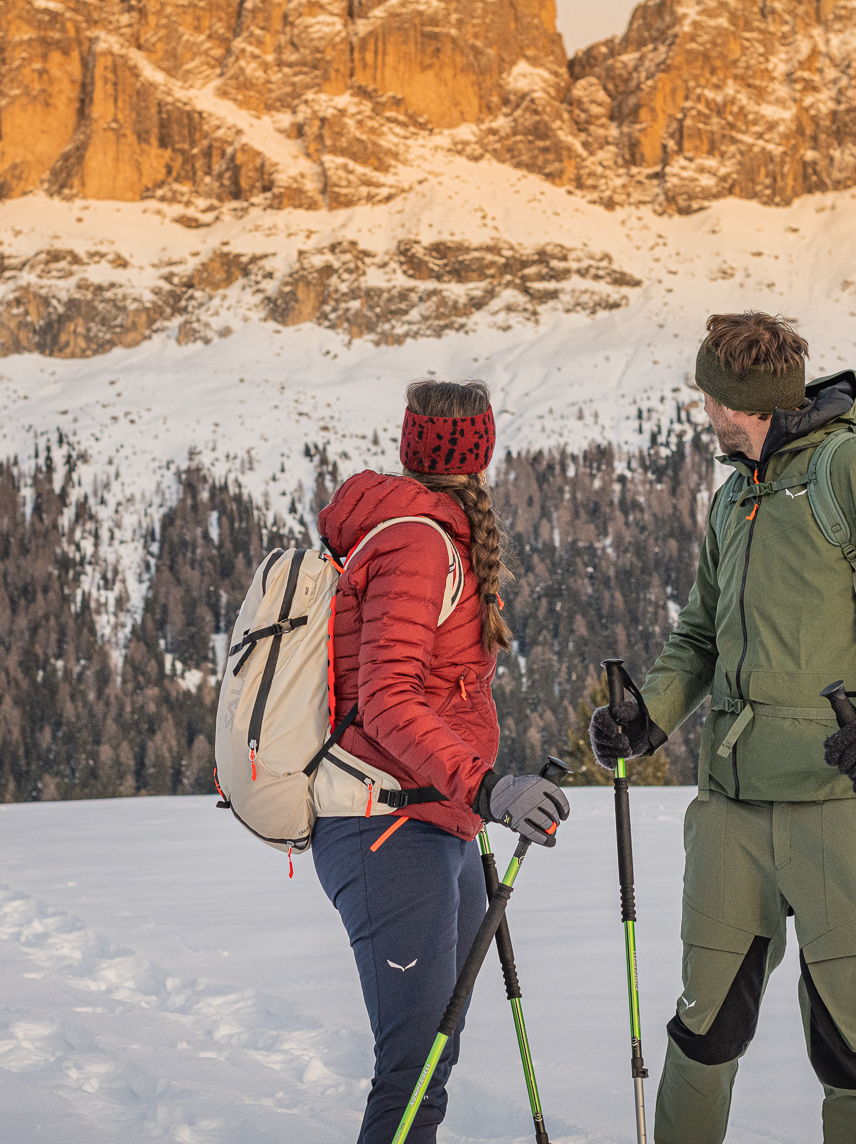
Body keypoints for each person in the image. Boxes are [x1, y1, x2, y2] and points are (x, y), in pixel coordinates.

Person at [591, 313, 856, 1144]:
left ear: (746, 402)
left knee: (854, 1045)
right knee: (702, 1031)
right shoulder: (734, 495)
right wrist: (650, 720)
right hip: (732, 809)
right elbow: (702, 636)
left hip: (842, 800)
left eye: (711, 395)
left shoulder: (855, 473)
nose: (702, 408)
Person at [313, 378, 572, 1144]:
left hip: (437, 819)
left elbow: (435, 692)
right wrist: (489, 786)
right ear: (483, 448)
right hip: (386, 825)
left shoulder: (435, 535)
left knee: (433, 1057)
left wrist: (475, 795)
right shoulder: (417, 543)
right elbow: (388, 699)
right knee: (414, 1071)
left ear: (410, 442)